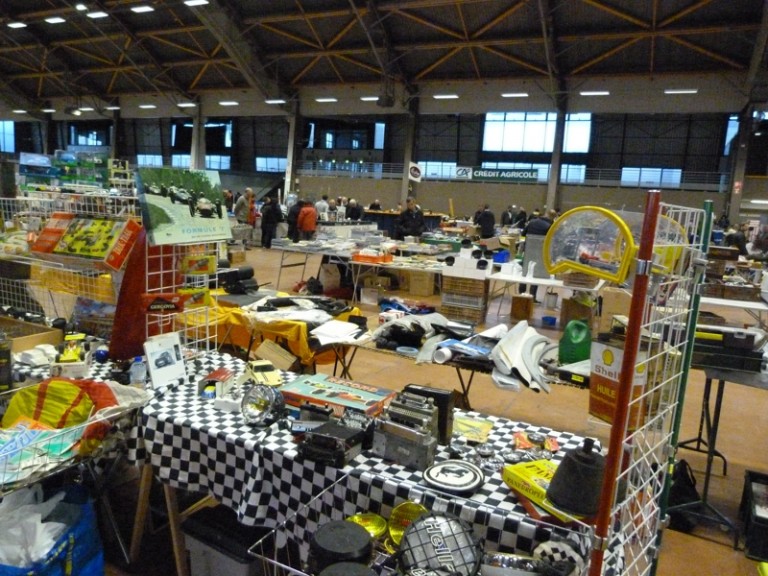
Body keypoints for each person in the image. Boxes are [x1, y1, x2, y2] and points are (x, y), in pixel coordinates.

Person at [520, 209, 556, 302]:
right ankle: (532, 296)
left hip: (528, 249)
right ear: (553, 217)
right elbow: (551, 240)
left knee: (525, 271)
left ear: (546, 214)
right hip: (540, 252)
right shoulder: (550, 226)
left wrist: (522, 246)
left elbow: (523, 234)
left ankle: (521, 295)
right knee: (536, 273)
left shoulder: (532, 222)